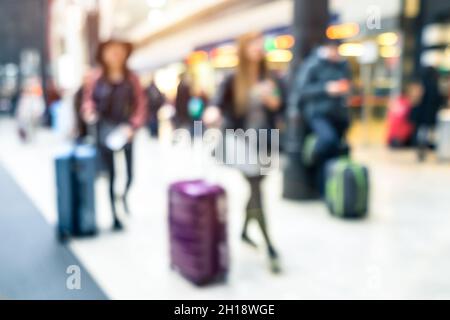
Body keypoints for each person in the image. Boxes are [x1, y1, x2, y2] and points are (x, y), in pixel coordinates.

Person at [203, 31, 284, 273]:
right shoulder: (233, 79)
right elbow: (217, 102)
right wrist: (212, 112)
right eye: (252, 44)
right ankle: (269, 246)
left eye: (260, 44)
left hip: (266, 142)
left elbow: (281, 103)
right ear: (243, 49)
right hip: (241, 143)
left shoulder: (271, 78)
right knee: (257, 190)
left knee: (256, 188)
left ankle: (244, 231)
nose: (257, 48)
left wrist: (273, 100)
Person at [82, 39, 147, 230]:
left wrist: (132, 126)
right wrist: (89, 112)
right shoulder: (96, 78)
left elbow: (140, 105)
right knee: (110, 175)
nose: (115, 55)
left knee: (129, 174)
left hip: (126, 132)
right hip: (105, 132)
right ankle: (114, 215)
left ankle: (124, 196)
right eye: (111, 51)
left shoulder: (131, 78)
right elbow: (88, 102)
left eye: (119, 51)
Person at [290, 40, 351, 166]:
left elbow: (349, 86)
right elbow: (302, 90)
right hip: (318, 113)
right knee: (327, 140)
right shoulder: (313, 64)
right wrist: (326, 88)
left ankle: (325, 179)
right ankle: (311, 159)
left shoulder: (342, 65)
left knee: (336, 150)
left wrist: (344, 89)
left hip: (338, 114)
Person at [412, 66, 444, 161]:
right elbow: (438, 99)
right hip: (429, 113)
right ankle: (424, 148)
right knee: (426, 132)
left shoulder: (421, 84)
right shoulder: (435, 85)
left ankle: (420, 148)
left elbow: (416, 99)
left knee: (421, 131)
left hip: (420, 113)